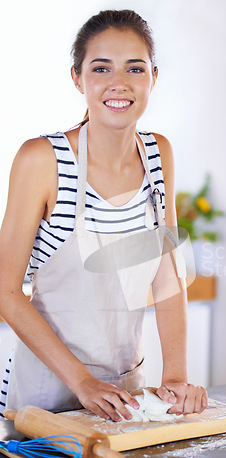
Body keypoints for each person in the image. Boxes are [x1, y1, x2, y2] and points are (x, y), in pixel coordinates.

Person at [0, 9, 207, 421]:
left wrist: (177, 377)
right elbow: (6, 291)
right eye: (101, 68)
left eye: (135, 68)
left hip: (125, 389)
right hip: (47, 392)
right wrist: (82, 382)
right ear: (77, 78)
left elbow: (167, 274)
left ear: (153, 77)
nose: (120, 83)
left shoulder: (157, 153)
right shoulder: (43, 159)